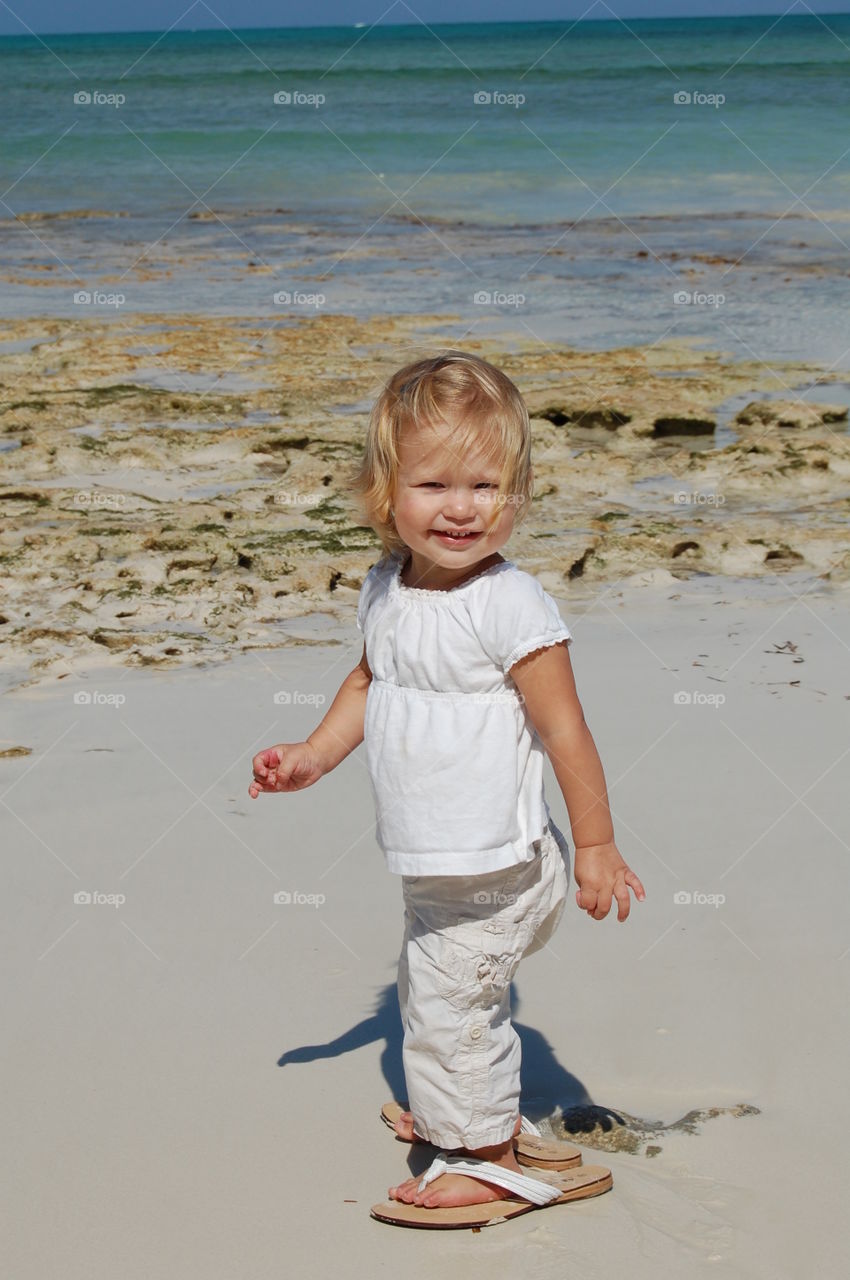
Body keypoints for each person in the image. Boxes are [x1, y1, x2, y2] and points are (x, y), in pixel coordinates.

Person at [249, 351, 645, 1225]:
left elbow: (564, 728)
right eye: (434, 483)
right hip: (436, 866)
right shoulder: (388, 587)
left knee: (451, 1003)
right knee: (430, 989)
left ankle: (485, 1157)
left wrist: (597, 843)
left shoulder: (510, 606)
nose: (462, 508)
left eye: (487, 485)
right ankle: (457, 1111)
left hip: (501, 866)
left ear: (519, 492)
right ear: (386, 491)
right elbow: (368, 683)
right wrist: (314, 755)